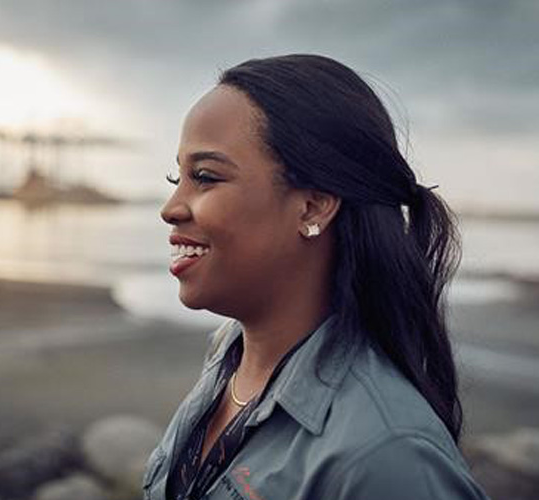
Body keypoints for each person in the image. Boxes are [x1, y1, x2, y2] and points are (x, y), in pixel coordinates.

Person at [147, 54, 489, 500]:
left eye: (205, 177)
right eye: (179, 176)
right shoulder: (228, 357)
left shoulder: (387, 457)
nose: (171, 207)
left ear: (312, 207)